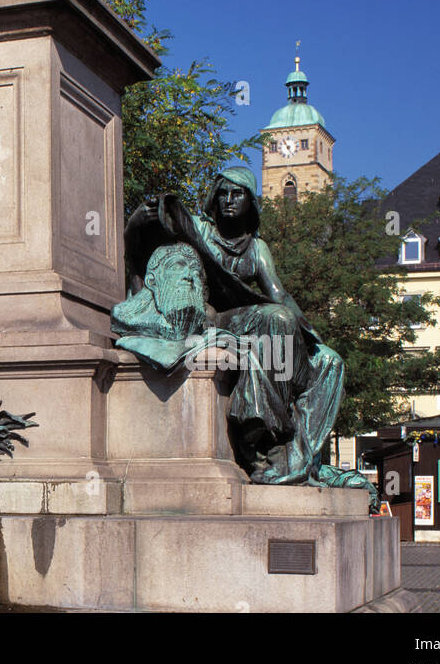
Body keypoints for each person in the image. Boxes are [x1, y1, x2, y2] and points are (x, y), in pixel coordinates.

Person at [121, 167, 349, 487]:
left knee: (329, 361)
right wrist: (136, 220)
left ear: (250, 202)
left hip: (247, 321)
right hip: (209, 317)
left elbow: (279, 294)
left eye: (237, 194)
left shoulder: (256, 248)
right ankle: (270, 436)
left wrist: (312, 339)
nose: (228, 200)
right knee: (277, 318)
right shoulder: (199, 228)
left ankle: (298, 453)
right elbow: (140, 244)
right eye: (223, 193)